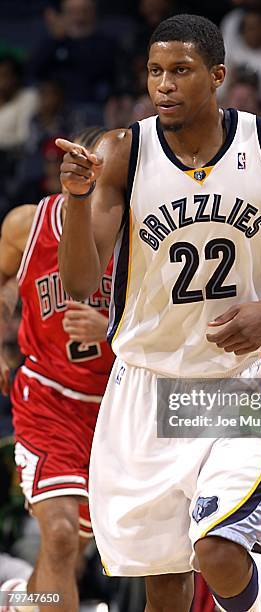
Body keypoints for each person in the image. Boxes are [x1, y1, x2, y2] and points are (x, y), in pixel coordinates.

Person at [56, 14, 261, 612]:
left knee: (219, 551)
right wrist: (76, 201)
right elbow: (80, 281)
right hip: (146, 383)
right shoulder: (121, 152)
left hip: (237, 382)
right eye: (154, 72)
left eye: (180, 71)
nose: (164, 85)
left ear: (216, 75)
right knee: (165, 582)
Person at [0, 127, 114, 612]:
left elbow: (177, 327)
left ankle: (25, 601)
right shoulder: (27, 225)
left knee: (78, 547)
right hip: (48, 397)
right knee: (63, 536)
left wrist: (111, 330)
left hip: (120, 408)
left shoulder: (145, 236)